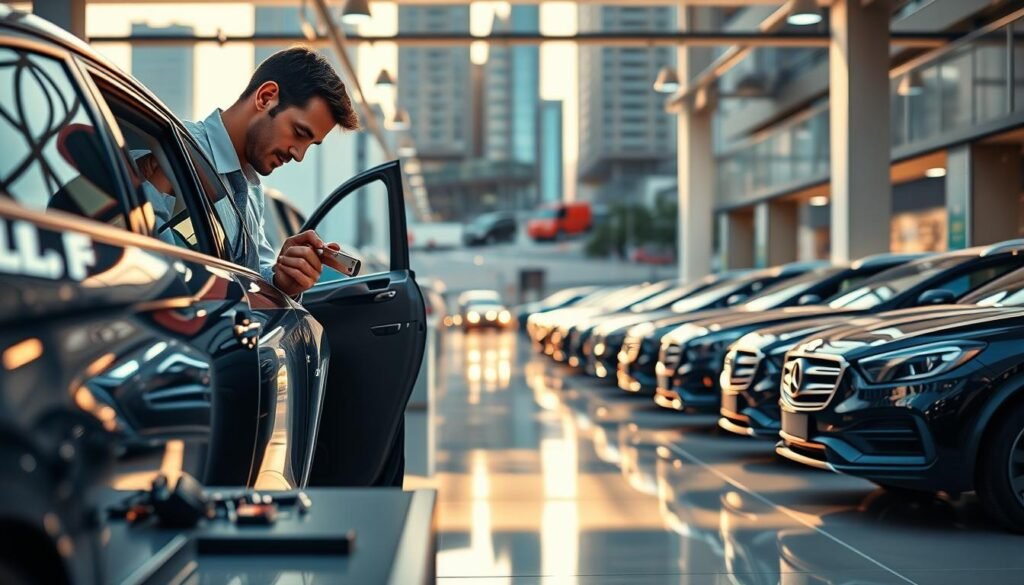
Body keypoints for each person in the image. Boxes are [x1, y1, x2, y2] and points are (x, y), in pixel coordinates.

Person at [140, 46, 360, 296]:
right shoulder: (173, 150)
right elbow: (142, 250)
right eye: (299, 133)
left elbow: (253, 274)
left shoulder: (251, 189)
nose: (299, 155)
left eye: (310, 145)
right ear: (266, 97)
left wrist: (281, 279)